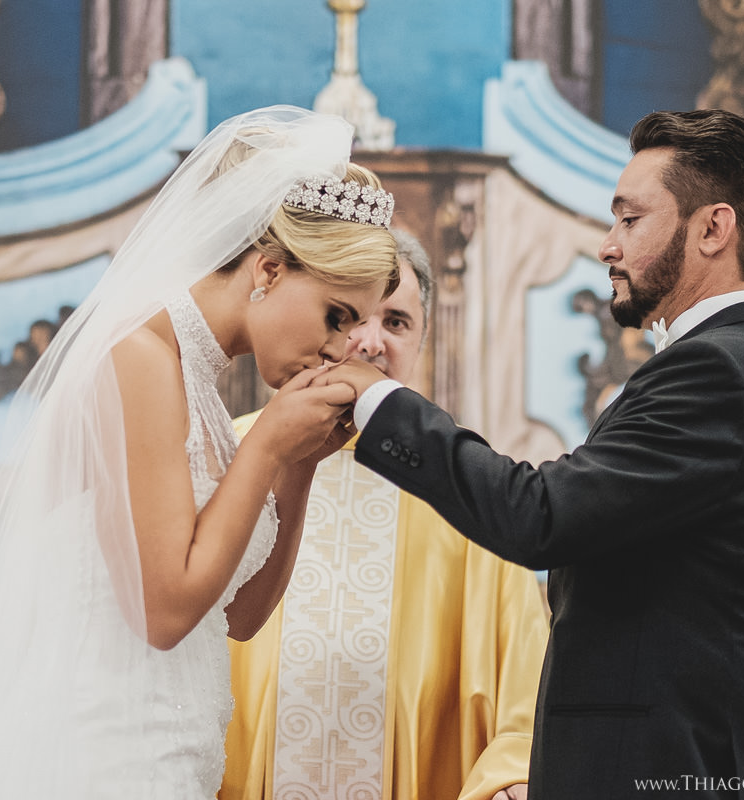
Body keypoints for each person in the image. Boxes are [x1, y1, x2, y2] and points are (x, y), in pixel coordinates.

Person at [321, 109, 744, 799]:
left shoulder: (719, 372)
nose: (607, 246)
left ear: (714, 228)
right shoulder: (743, 365)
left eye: (630, 220)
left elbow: (541, 515)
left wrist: (377, 400)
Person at [0, 106, 401, 800]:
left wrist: (299, 462)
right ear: (267, 269)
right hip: (103, 756)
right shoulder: (137, 355)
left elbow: (238, 617)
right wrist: (264, 443)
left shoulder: (197, 375)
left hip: (178, 756)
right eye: (336, 315)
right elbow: (165, 612)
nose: (346, 347)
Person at [221, 229, 548, 800]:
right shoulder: (227, 453)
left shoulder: (467, 482)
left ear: (423, 340)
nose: (370, 343)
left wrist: (511, 778)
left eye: (396, 322)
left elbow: (527, 693)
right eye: (350, 318)